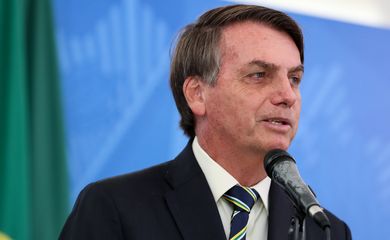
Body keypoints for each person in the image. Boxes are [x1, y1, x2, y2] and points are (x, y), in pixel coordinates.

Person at [60, 4, 351, 240]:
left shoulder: (325, 230)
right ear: (197, 94)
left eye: (295, 79)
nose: (288, 96)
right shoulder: (115, 208)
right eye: (259, 75)